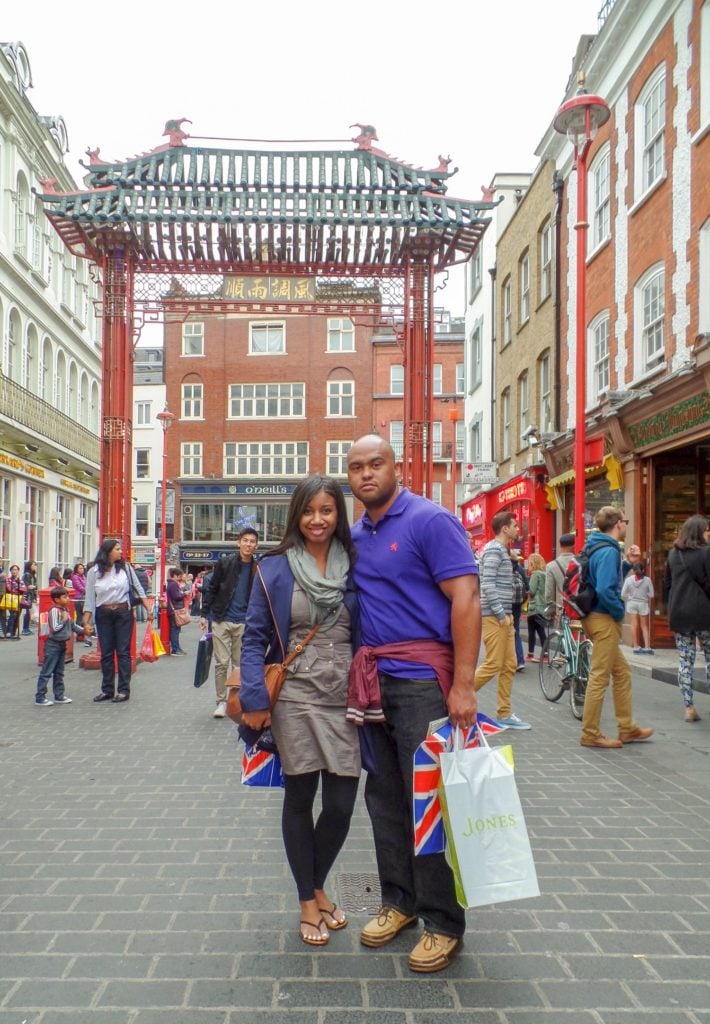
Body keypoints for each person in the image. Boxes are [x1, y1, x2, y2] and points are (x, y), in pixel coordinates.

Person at [346, 435, 481, 974]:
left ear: (395, 467)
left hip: (423, 681)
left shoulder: (430, 520)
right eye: (355, 467)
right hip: (374, 684)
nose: (365, 474)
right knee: (383, 797)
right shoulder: (355, 535)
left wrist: (464, 684)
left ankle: (444, 922)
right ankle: (399, 901)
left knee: (428, 803)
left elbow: (466, 598)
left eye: (375, 463)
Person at [239, 475, 361, 947]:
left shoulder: (356, 565)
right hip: (295, 695)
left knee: (341, 806)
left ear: (338, 515)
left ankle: (315, 885)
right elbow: (253, 638)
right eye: (309, 511)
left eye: (327, 510)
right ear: (297, 515)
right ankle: (308, 900)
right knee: (300, 798)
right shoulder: (274, 569)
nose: (317, 520)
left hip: (346, 694)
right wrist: (254, 699)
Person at [580, 507, 653, 749]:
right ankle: (590, 733)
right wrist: (619, 612)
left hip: (593, 615)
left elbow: (604, 578)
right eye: (626, 521)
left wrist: (627, 565)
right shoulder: (609, 550)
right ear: (618, 523)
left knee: (621, 672)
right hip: (603, 618)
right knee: (600, 676)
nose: (626, 525)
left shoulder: (595, 544)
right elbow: (604, 588)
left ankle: (627, 728)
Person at [474, 512, 531, 730]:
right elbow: (487, 584)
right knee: (493, 664)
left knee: (509, 664)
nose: (518, 529)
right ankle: (455, 699)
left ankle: (504, 712)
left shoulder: (501, 551)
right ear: (505, 529)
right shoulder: (494, 550)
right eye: (515, 525)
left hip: (503, 616)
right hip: (495, 617)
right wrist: (500, 613)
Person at [82, 539, 153, 703]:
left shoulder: (126, 568)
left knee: (123, 652)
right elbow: (90, 599)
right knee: (106, 653)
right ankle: (107, 689)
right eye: (117, 549)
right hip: (103, 614)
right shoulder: (93, 572)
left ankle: (123, 690)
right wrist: (86, 622)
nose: (121, 552)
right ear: (108, 552)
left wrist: (148, 609)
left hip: (123, 613)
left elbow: (139, 589)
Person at [200, 528, 258, 719]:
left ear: (256, 545)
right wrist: (203, 614)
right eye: (245, 541)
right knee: (221, 663)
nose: (248, 544)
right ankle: (221, 702)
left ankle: (236, 701)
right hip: (222, 619)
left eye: (252, 542)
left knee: (239, 665)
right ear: (238, 543)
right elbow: (212, 588)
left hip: (244, 622)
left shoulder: (258, 568)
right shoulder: (225, 563)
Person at [663, 514, 710, 723]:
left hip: (680, 613)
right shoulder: (707, 553)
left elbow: (667, 585)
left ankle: (689, 707)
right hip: (704, 614)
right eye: (707, 530)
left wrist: (670, 608)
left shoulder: (673, 554)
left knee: (685, 659)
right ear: (699, 532)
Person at [34, 586, 92, 706]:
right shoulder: (54, 611)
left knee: (59, 672)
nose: (68, 599)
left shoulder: (65, 611)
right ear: (56, 599)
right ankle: (40, 697)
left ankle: (59, 695)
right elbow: (55, 628)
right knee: (47, 671)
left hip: (61, 645)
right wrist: (64, 620)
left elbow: (73, 626)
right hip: (53, 645)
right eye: (65, 597)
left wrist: (85, 631)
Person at [621, 562, 655, 654]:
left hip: (632, 603)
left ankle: (636, 646)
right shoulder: (647, 580)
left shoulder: (628, 580)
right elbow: (651, 594)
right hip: (643, 604)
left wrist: (631, 596)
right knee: (644, 626)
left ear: (633, 571)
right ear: (643, 570)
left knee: (634, 625)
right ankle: (647, 647)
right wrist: (644, 595)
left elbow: (623, 593)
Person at [544, 533, 577, 622]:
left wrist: (551, 610)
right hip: (581, 609)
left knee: (563, 634)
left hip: (564, 608)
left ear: (560, 546)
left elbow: (549, 592)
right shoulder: (581, 562)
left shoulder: (551, 566)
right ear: (574, 545)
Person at [526, 553, 548, 661]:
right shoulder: (545, 574)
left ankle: (530, 654)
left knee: (532, 631)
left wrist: (526, 590)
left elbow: (532, 590)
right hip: (543, 606)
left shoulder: (535, 575)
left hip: (534, 607)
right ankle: (546, 655)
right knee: (541, 631)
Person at [510, 550, 528, 670]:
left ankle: (509, 661)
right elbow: (527, 587)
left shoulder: (503, 566)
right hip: (517, 604)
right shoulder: (520, 568)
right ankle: (520, 660)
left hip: (506, 604)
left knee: (506, 632)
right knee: (515, 631)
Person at [166, 567, 188, 655]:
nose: (180, 577)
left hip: (172, 609)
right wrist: (184, 594)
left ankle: (177, 648)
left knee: (175, 629)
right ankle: (175, 649)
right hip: (175, 610)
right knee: (175, 629)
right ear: (175, 575)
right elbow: (176, 597)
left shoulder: (171, 584)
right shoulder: (174, 584)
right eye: (179, 576)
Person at [4, 564, 26, 640]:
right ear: (10, 571)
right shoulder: (8, 579)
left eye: (16, 569)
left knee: (17, 616)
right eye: (13, 569)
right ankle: (9, 632)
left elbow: (24, 589)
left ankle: (13, 632)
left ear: (18, 571)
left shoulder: (20, 580)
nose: (14, 571)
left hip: (19, 600)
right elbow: (9, 588)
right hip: (11, 599)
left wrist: (17, 588)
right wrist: (18, 589)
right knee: (12, 615)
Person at [21, 560, 38, 635]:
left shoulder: (32, 574)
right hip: (27, 595)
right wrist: (34, 587)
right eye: (34, 565)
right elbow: (26, 585)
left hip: (30, 595)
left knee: (29, 612)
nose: (35, 566)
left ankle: (26, 628)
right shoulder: (27, 574)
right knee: (27, 612)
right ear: (29, 566)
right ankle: (25, 629)